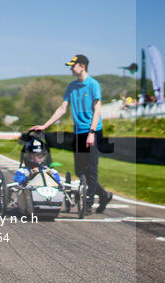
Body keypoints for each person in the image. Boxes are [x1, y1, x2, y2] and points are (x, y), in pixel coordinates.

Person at [31, 54, 113, 213]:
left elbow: (97, 110)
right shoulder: (71, 86)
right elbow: (62, 109)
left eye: (73, 66)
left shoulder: (93, 85)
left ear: (82, 66)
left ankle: (88, 203)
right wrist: (45, 125)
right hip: (78, 132)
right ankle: (103, 195)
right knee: (79, 170)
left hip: (92, 131)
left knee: (91, 168)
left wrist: (91, 132)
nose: (70, 69)